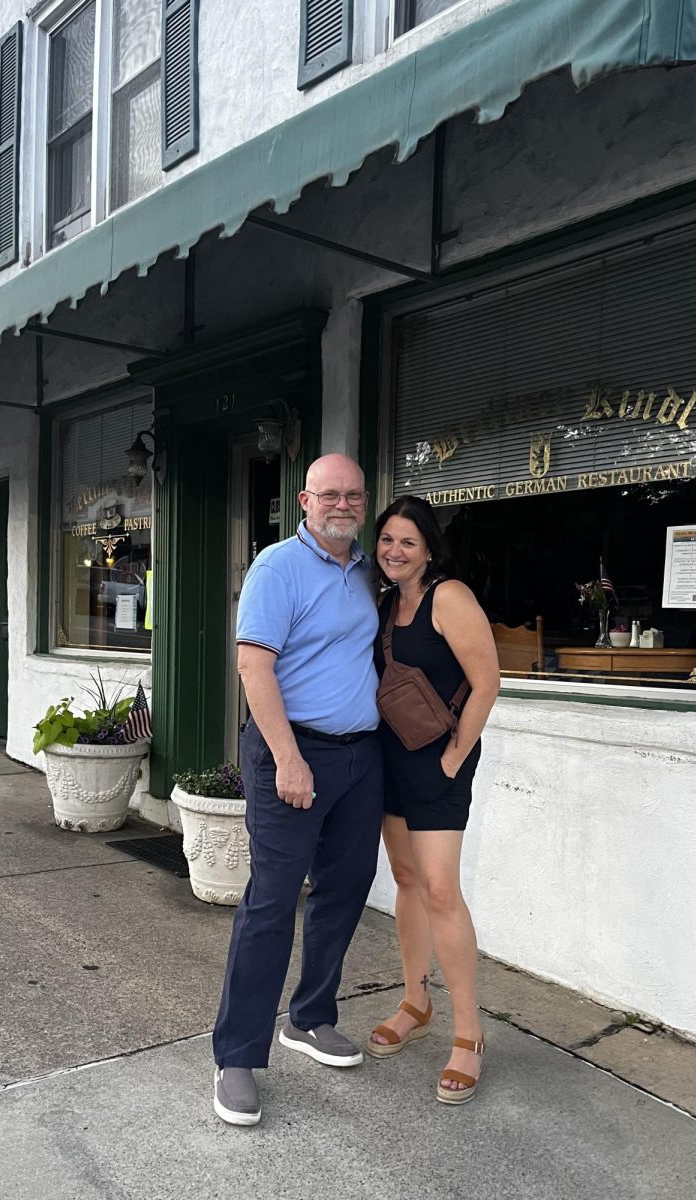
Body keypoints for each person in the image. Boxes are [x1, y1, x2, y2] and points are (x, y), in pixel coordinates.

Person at [212, 454, 384, 1126]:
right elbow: (254, 665)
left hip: (361, 758)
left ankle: (310, 1019)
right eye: (329, 495)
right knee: (272, 903)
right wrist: (287, 758)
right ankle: (237, 1056)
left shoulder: (372, 570)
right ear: (305, 501)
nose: (342, 504)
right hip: (293, 751)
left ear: (363, 503)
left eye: (353, 495)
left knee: (342, 895)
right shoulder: (277, 567)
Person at [365, 495, 500, 1105]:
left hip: (438, 762)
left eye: (408, 542)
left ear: (429, 549)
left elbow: (487, 682)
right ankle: (415, 1002)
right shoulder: (387, 601)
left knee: (442, 889)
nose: (395, 551)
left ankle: (468, 1035)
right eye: (387, 539)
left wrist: (452, 758)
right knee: (407, 878)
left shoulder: (450, 596)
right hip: (391, 759)